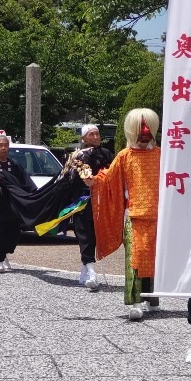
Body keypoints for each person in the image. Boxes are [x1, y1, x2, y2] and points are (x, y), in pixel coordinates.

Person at [85, 108, 160, 320]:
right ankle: (135, 301)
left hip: (158, 216)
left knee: (154, 258)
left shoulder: (161, 154)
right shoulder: (124, 156)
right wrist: (94, 181)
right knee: (135, 259)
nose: (144, 136)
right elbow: (108, 178)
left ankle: (151, 297)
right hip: (133, 215)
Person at [0, 132, 37, 272]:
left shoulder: (14, 164)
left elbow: (26, 180)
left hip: (13, 202)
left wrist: (35, 193)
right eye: (0, 145)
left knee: (14, 232)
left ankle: (5, 254)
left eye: (5, 145)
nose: (3, 148)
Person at [69, 124, 114, 290]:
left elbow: (113, 174)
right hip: (83, 202)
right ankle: (92, 272)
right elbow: (71, 178)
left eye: (97, 134)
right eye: (91, 134)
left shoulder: (107, 154)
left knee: (95, 235)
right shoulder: (77, 156)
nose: (95, 137)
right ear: (84, 138)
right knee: (85, 235)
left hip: (101, 201)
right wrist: (84, 180)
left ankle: (86, 270)